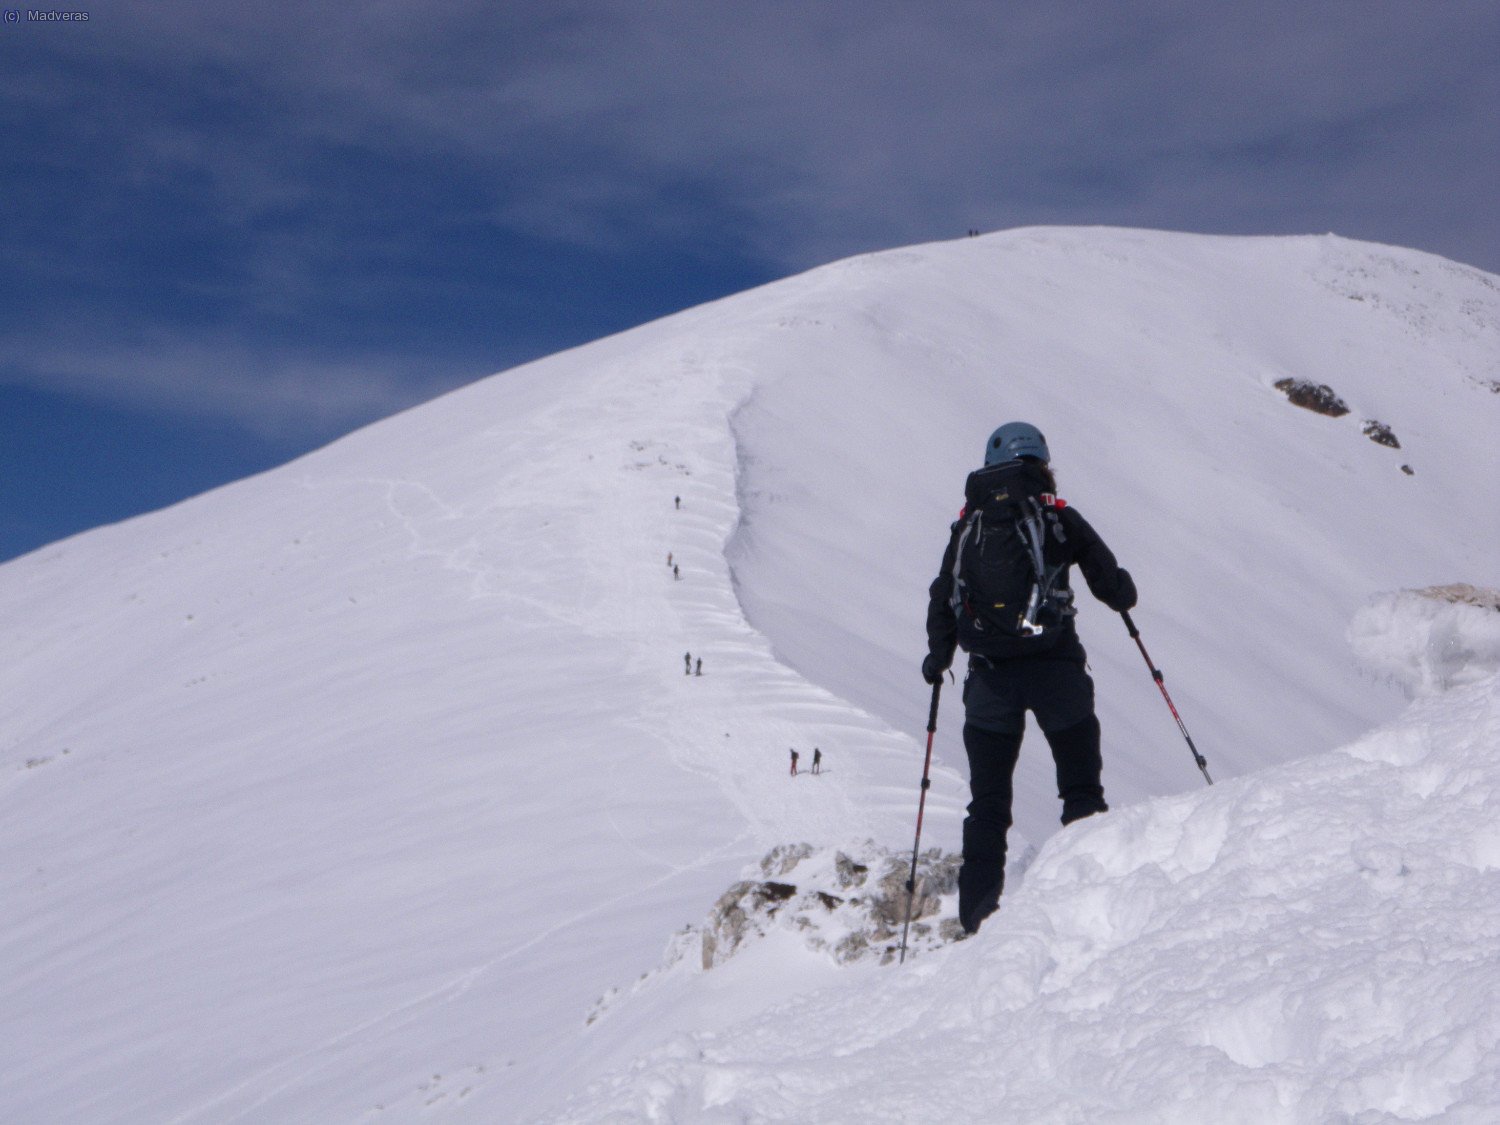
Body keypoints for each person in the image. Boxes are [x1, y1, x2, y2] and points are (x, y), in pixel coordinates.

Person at [923, 422, 1137, 936]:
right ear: (1042, 463)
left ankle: (977, 920)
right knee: (1080, 789)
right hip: (1056, 670)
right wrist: (1123, 593)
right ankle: (1087, 900)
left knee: (988, 806)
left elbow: (943, 594)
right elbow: (1112, 585)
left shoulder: (968, 525)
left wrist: (938, 657)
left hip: (989, 681)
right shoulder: (1056, 516)